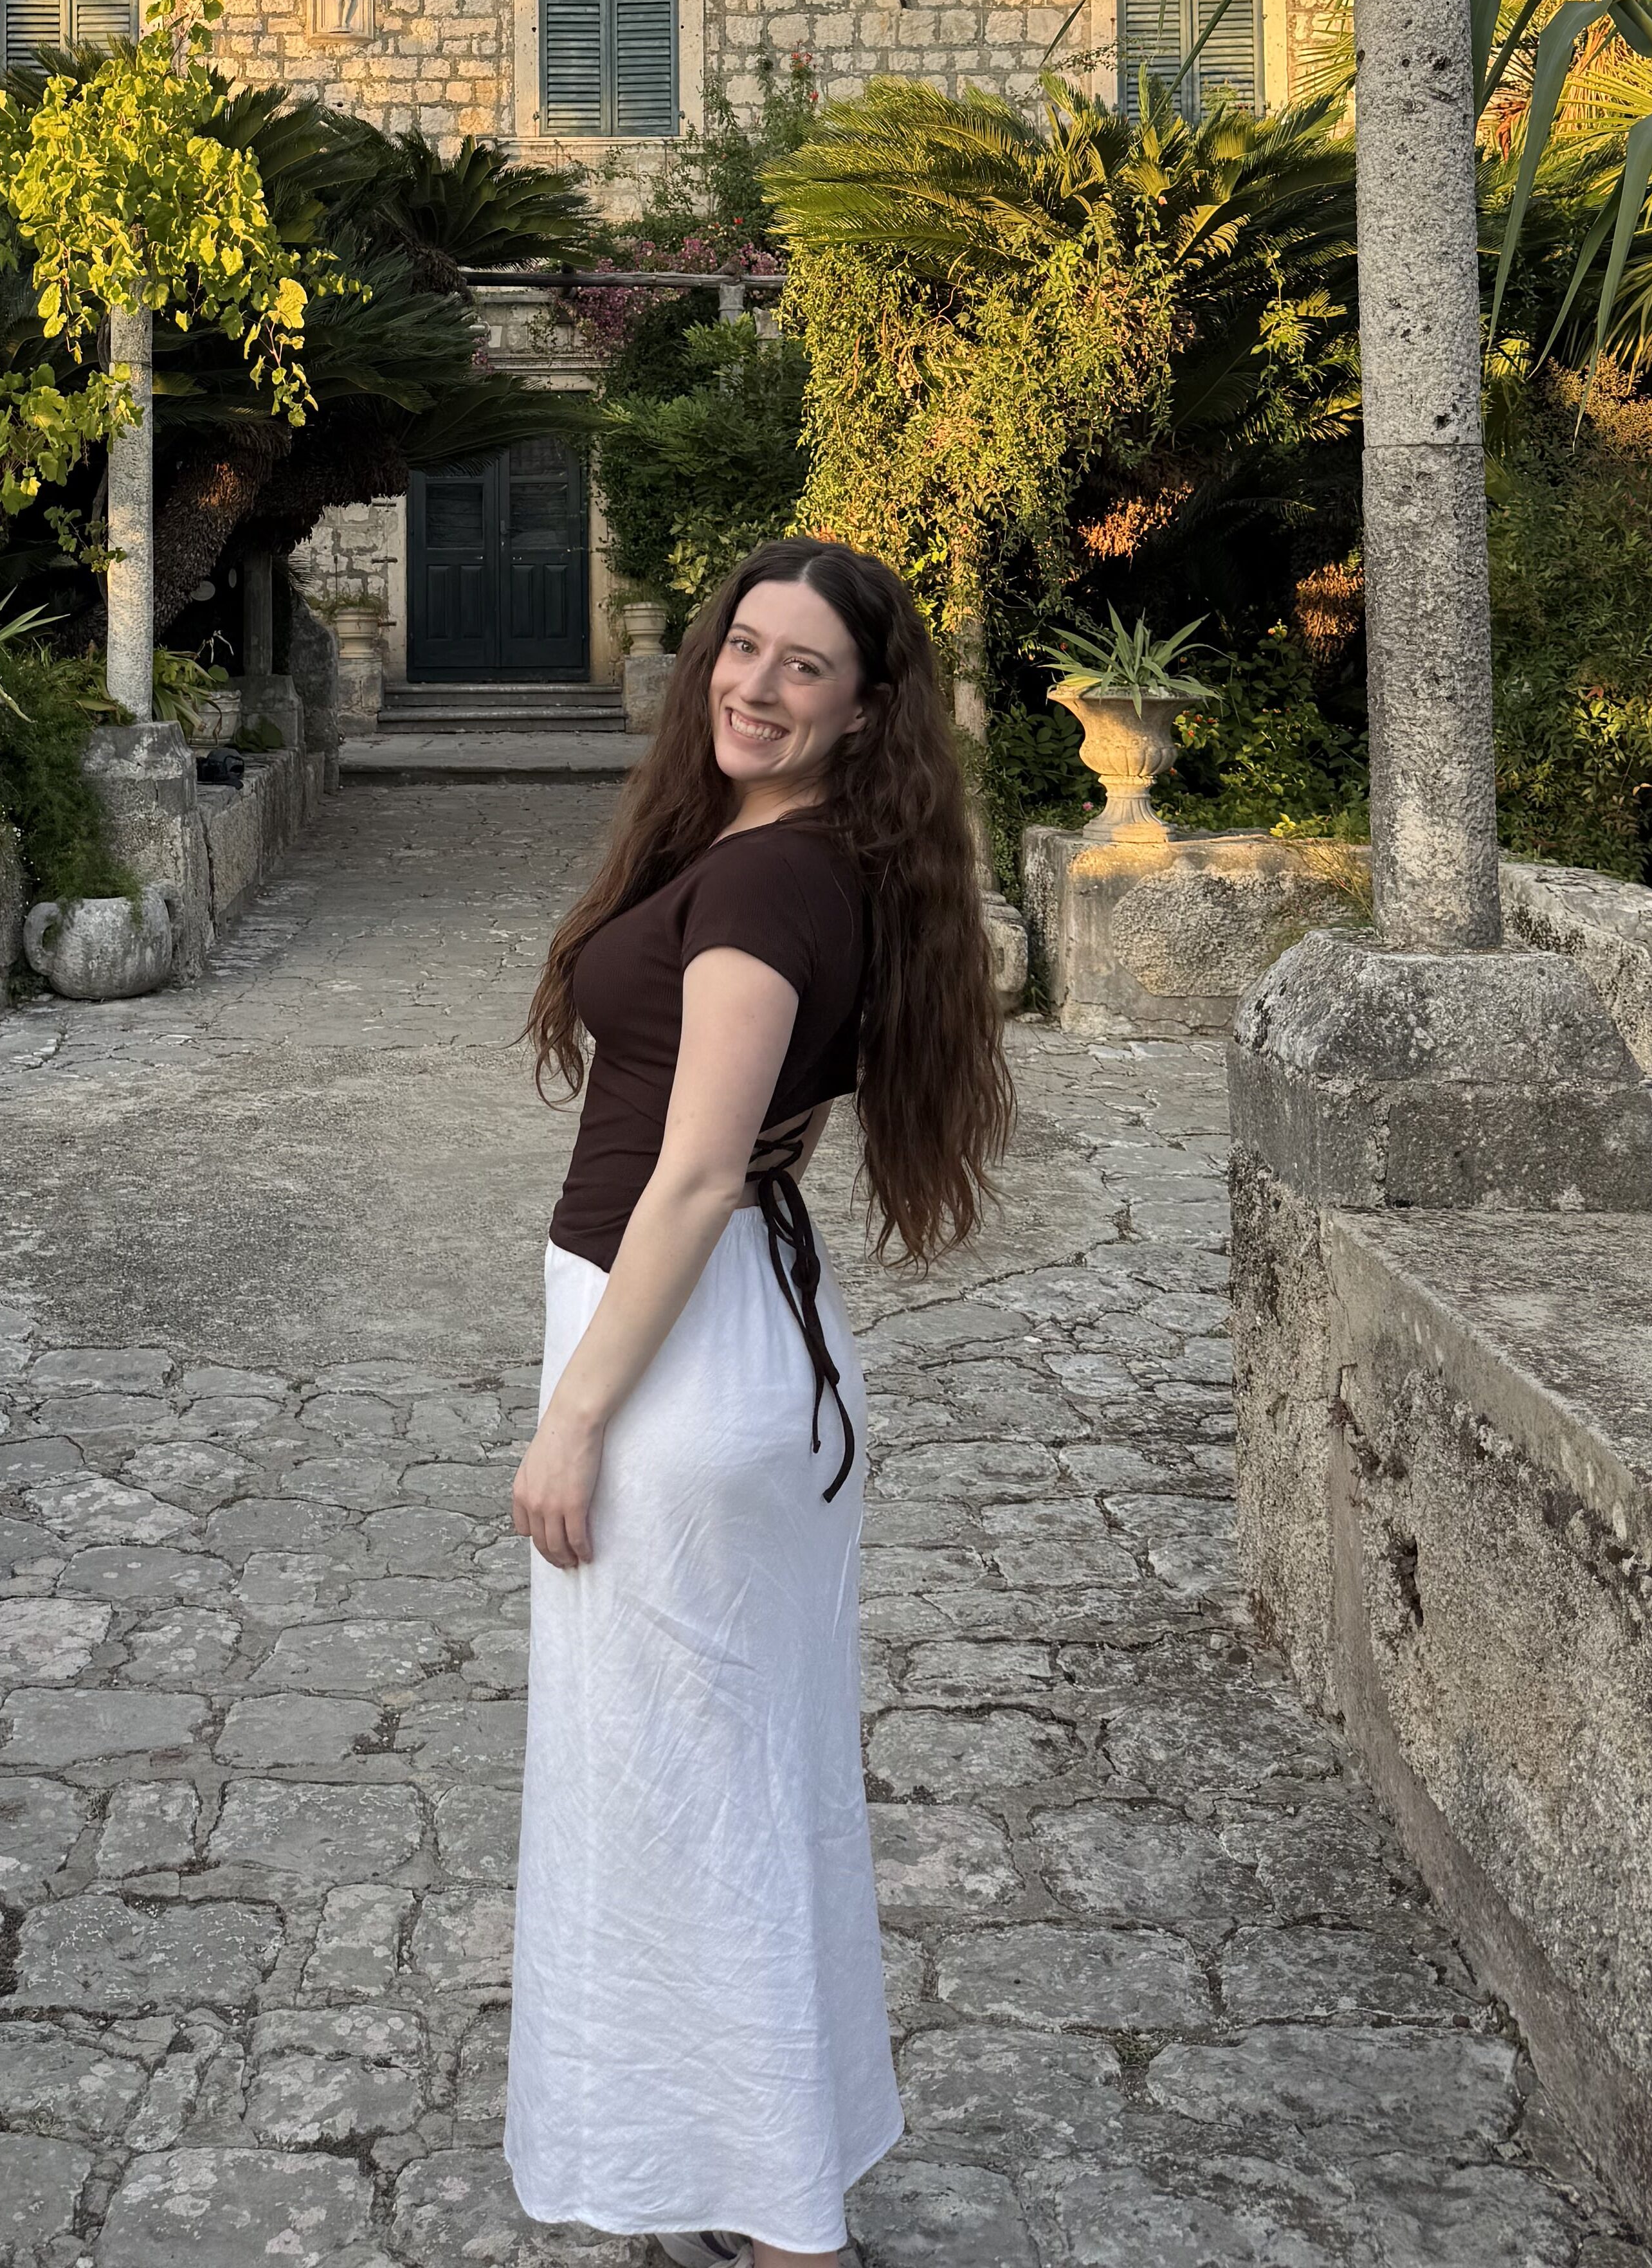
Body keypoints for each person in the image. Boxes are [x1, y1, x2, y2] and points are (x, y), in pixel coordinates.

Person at [503, 538, 1010, 2268]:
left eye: (803, 668)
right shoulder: (758, 849)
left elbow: (700, 1169)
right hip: (717, 1350)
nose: (755, 685)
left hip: (682, 1372)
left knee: (687, 1799)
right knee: (706, 1788)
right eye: (743, 647)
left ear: (865, 712)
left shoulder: (779, 886)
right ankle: (732, 2174)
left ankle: (783, 2227)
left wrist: (572, 1416)